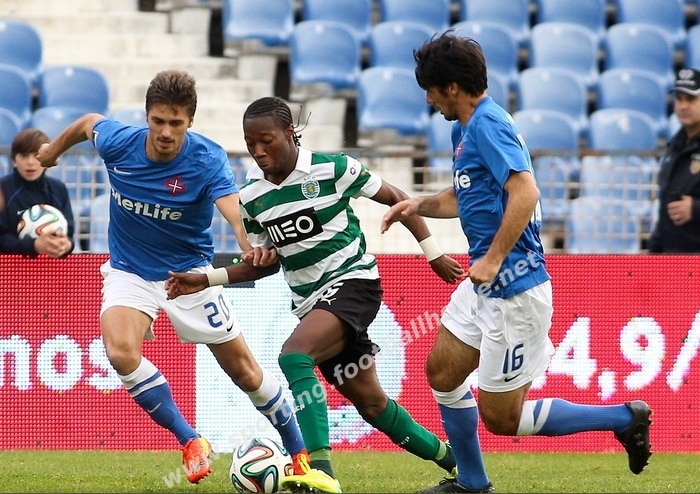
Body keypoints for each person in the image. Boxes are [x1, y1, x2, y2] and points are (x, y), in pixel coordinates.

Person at [380, 32, 653, 493]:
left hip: (515, 292)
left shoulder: (488, 124)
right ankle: (472, 483)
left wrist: (492, 259)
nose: (427, 100)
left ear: (451, 87)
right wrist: (420, 204)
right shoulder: (464, 127)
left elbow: (525, 192)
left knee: (502, 419)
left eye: (430, 89)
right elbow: (466, 194)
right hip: (485, 286)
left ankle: (623, 418)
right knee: (442, 372)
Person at [165, 96, 463, 493]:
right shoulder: (251, 198)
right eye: (251, 143)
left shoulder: (333, 168)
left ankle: (318, 469)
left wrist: (434, 253)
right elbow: (265, 264)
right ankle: (459, 462)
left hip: (354, 283)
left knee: (294, 356)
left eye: (267, 141)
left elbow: (396, 198)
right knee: (373, 406)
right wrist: (206, 279)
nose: (258, 151)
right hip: (313, 304)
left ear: (290, 133)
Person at [35, 70, 307, 484]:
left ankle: (300, 453)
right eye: (158, 121)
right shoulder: (119, 143)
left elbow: (235, 213)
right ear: (146, 116)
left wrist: (249, 243)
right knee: (120, 352)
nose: (165, 132)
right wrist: (52, 152)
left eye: (175, 123)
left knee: (246, 373)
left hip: (189, 275)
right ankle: (190, 440)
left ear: (190, 121)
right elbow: (88, 123)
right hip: (130, 270)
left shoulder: (206, 159)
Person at [0, 128, 75, 257]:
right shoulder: (3, 188)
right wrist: (33, 246)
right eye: (24, 155)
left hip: (50, 265)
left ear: (48, 158)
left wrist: (66, 245)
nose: (30, 162)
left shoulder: (58, 188)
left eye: (36, 155)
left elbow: (69, 234)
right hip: (9, 266)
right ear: (13, 160)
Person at [649, 67, 700, 253]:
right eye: (679, 99)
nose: (683, 106)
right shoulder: (675, 145)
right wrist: (655, 248)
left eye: (691, 99)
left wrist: (695, 209)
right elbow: (666, 203)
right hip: (672, 258)